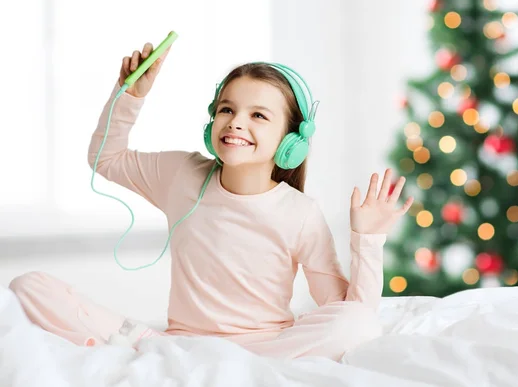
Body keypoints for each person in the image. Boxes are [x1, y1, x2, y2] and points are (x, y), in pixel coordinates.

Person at [9, 39, 413, 361]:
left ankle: (204, 367)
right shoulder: (182, 175)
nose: (236, 121)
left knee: (357, 325)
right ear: (212, 122)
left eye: (259, 115)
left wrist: (368, 240)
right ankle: (150, 354)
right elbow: (105, 159)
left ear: (291, 142)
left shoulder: (300, 213)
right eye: (226, 109)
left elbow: (350, 313)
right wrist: (129, 94)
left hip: (263, 349)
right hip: (177, 345)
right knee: (28, 286)